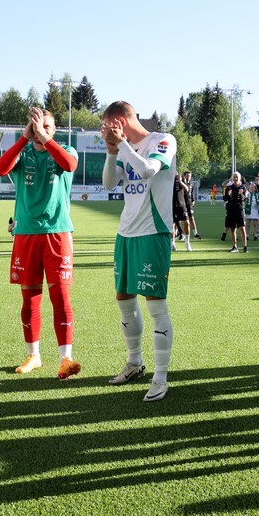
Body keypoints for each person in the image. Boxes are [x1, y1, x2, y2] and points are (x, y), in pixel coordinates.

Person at [0, 106, 81, 379]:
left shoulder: (66, 150)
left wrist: (46, 137)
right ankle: (34, 355)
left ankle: (65, 358)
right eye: (37, 128)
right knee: (30, 297)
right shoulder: (23, 153)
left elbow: (69, 165)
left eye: (48, 128)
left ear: (55, 131)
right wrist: (24, 139)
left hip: (57, 233)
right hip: (26, 234)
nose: (42, 133)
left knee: (60, 296)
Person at [100, 101, 177, 402]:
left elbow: (147, 170)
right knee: (124, 300)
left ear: (120, 120)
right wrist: (111, 150)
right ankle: (134, 362)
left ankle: (160, 376)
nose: (106, 131)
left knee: (156, 306)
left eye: (108, 126)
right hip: (126, 233)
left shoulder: (162, 140)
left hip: (153, 232)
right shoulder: (123, 147)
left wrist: (121, 145)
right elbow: (108, 183)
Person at [223, 173, 248, 252]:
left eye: (237, 177)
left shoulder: (243, 187)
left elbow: (245, 199)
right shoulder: (229, 187)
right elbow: (225, 199)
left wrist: (242, 195)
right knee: (232, 228)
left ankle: (245, 246)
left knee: (242, 227)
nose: (235, 178)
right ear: (232, 178)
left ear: (239, 178)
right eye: (234, 177)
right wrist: (228, 194)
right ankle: (235, 247)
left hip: (239, 209)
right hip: (230, 209)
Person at [171, 172, 192, 251]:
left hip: (181, 205)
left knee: (186, 223)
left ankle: (187, 242)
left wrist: (180, 181)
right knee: (171, 225)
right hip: (171, 205)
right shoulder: (167, 179)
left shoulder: (181, 178)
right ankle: (172, 243)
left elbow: (186, 189)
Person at [246, 173, 259, 240]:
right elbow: (244, 200)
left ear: (255, 188)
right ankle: (247, 235)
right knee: (247, 224)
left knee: (255, 223)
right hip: (248, 210)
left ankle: (255, 235)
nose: (251, 188)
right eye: (250, 187)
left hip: (255, 210)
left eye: (253, 187)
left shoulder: (257, 195)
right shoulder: (247, 194)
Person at [182, 171, 200, 239]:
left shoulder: (191, 185)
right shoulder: (181, 184)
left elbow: (191, 194)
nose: (188, 177)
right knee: (182, 219)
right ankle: (181, 234)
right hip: (182, 204)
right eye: (187, 176)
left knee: (191, 218)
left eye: (189, 176)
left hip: (189, 204)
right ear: (184, 176)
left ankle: (195, 234)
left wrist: (193, 200)